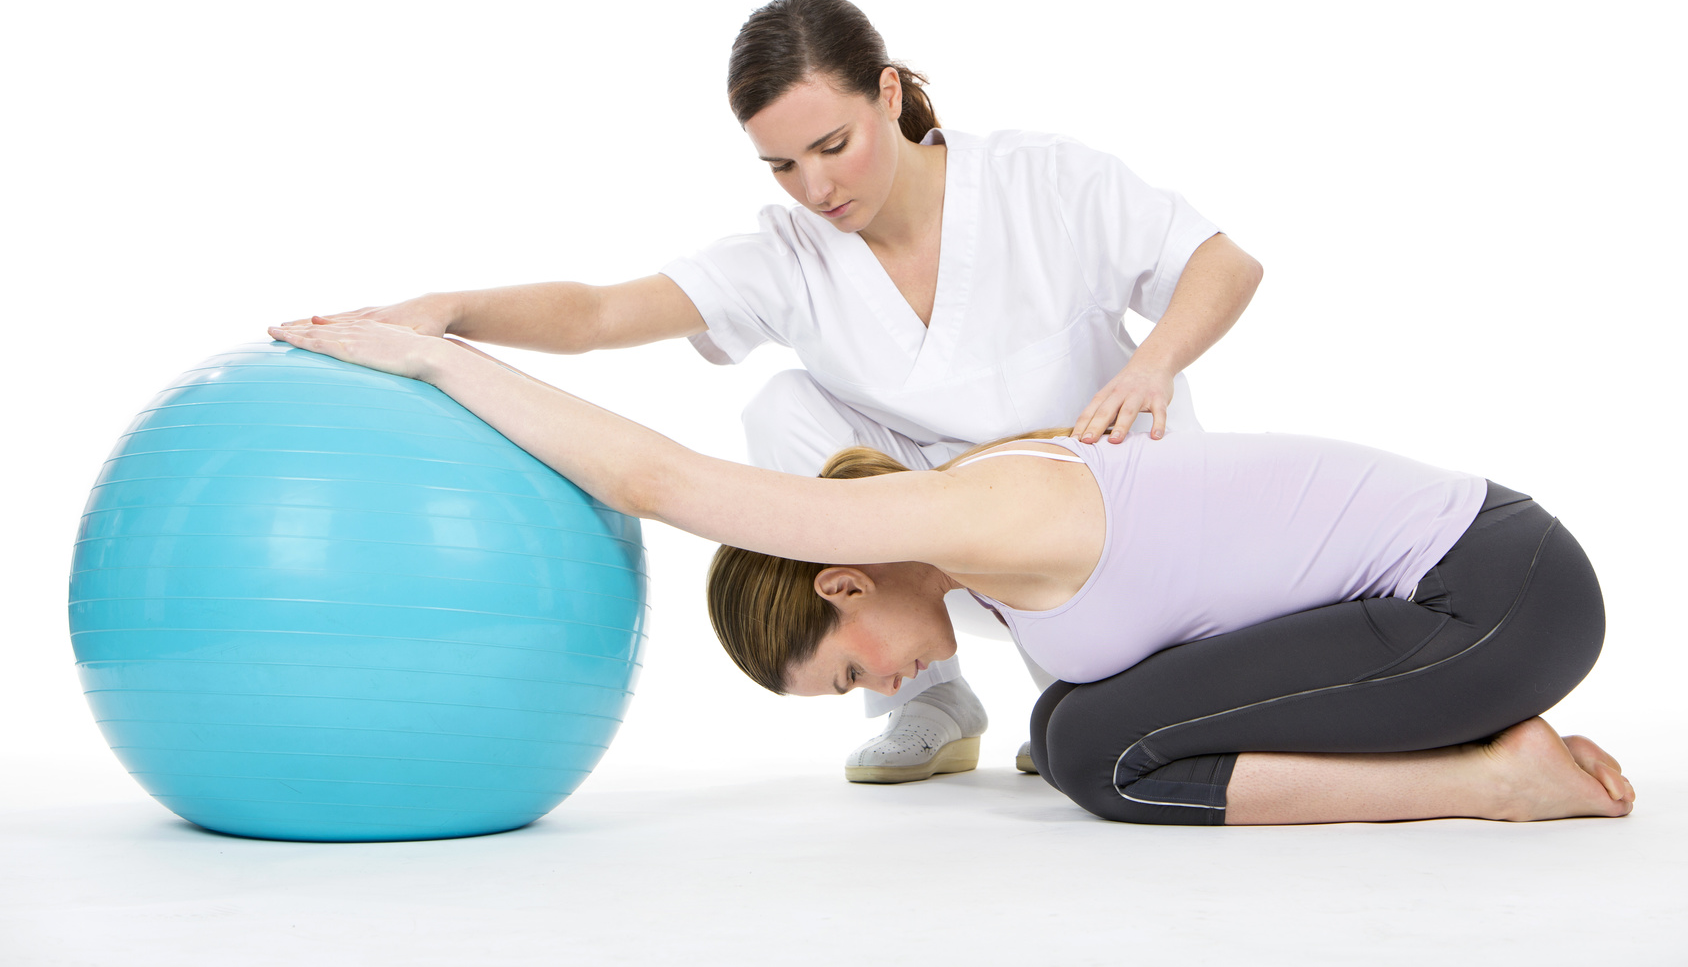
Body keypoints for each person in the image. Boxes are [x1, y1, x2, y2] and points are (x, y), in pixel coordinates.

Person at [285, 0, 1264, 782]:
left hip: (1106, 536)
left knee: (1091, 732)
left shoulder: (1039, 182)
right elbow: (596, 313)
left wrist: (1152, 363)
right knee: (784, 408)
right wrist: (445, 312)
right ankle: (923, 694)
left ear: (888, 92)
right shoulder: (790, 255)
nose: (813, 188)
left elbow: (1222, 264)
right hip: (940, 554)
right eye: (780, 165)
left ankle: (1077, 689)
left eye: (831, 147)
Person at [265, 318, 1634, 826]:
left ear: (841, 580)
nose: (890, 684)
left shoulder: (975, 512)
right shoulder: (988, 543)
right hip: (1460, 589)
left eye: (846, 671)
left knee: (1103, 755)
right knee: (1064, 723)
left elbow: (660, 484)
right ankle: (1484, 757)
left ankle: (1498, 784)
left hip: (1495, 596)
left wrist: (447, 358)